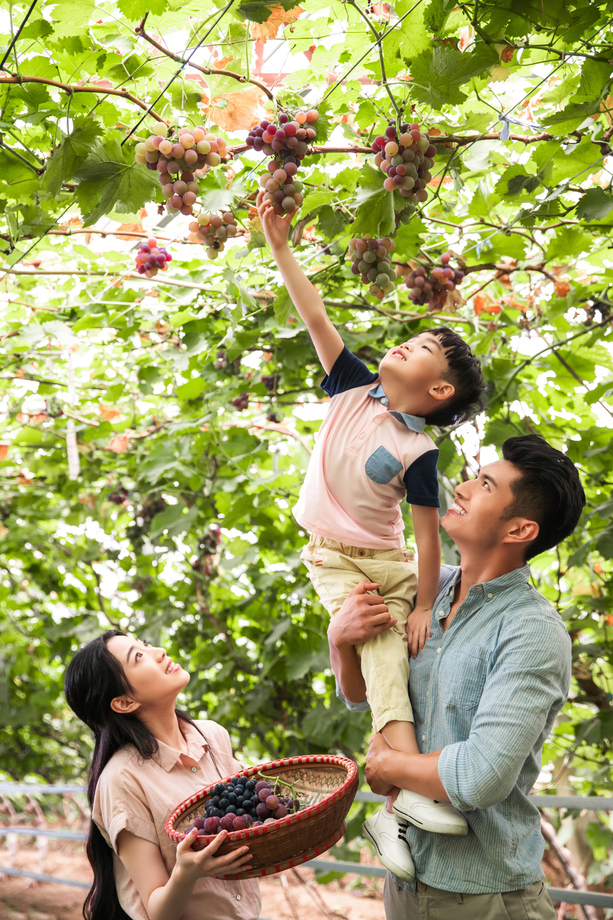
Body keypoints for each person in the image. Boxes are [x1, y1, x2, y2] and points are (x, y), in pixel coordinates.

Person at [258, 190, 486, 875]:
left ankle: (396, 800)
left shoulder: (421, 453)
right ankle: (397, 794)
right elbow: (314, 312)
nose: (403, 341)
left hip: (387, 562)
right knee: (384, 656)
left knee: (420, 649)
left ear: (438, 392)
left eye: (420, 348)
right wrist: (277, 245)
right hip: (335, 562)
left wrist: (421, 603)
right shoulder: (350, 386)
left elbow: (423, 542)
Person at [328, 434, 586, 919]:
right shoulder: (427, 589)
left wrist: (387, 768)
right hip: (405, 883)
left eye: (485, 485)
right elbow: (363, 695)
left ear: (519, 530)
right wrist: (340, 639)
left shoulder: (532, 630)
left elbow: (480, 776)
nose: (463, 487)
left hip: (484, 896)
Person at [64, 630, 260, 920]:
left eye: (144, 645)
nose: (159, 651)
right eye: (139, 657)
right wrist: (186, 873)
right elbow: (157, 911)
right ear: (124, 702)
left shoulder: (213, 735)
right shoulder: (121, 779)